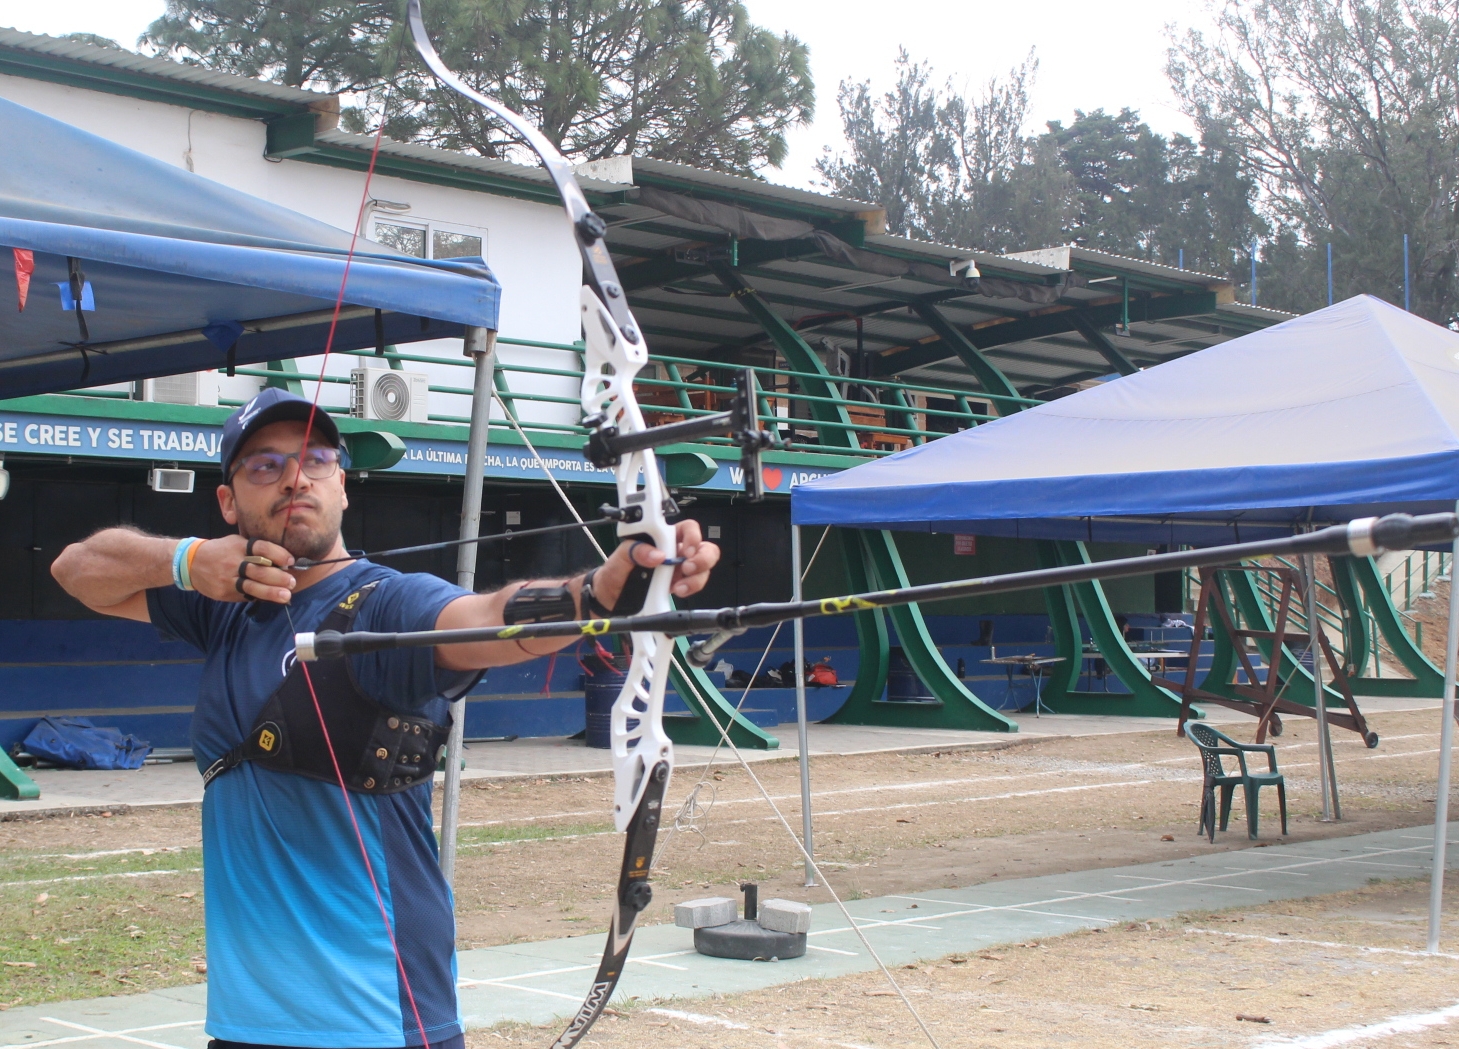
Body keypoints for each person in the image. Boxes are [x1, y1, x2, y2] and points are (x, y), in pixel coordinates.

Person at [51, 388, 720, 1049]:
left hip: (375, 1019)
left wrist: (599, 592)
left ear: (341, 485)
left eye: (315, 460)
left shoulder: (383, 607)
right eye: (265, 465)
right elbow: (77, 569)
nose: (294, 478)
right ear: (229, 501)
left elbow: (487, 619)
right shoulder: (221, 602)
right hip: (244, 1023)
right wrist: (188, 561)